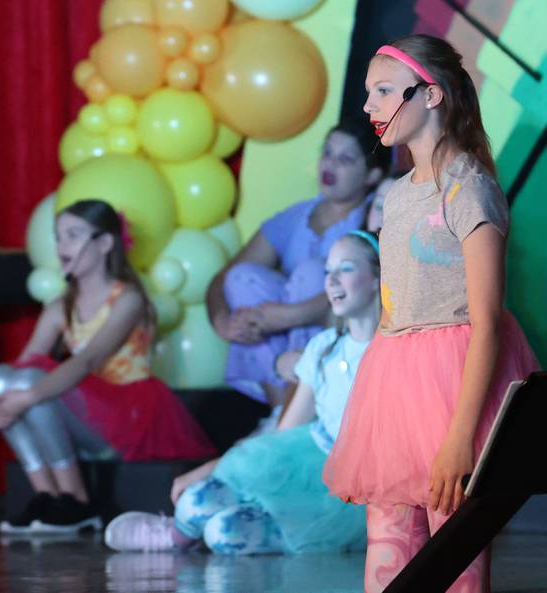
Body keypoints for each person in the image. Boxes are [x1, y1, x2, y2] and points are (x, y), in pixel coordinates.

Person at [323, 35, 541, 593]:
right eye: (369, 93)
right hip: (395, 390)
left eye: (384, 91)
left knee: (456, 559)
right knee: (388, 559)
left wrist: (460, 438)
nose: (370, 106)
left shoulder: (469, 189)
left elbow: (487, 322)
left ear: (432, 95)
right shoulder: (396, 196)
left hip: (453, 390)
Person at [105, 231, 381, 555]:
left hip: (351, 487)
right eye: (327, 272)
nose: (332, 281)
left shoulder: (391, 351)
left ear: (377, 277)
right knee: (196, 502)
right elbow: (282, 437)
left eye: (346, 269)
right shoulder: (323, 349)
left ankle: (257, 530)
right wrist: (209, 468)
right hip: (306, 462)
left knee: (225, 533)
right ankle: (175, 536)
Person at [0, 199, 215, 534]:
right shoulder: (61, 306)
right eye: (58, 237)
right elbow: (24, 361)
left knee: (32, 385)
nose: (62, 246)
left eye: (73, 235)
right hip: (83, 413)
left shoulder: (127, 299)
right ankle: (46, 494)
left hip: (126, 416)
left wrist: (28, 396)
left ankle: (76, 498)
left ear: (103, 243)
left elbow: (88, 360)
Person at [206, 118, 390, 417]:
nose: (329, 165)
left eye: (344, 159)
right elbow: (225, 277)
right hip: (278, 356)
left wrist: (289, 315)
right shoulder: (295, 217)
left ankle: (301, 404)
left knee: (312, 274)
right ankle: (280, 407)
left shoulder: (374, 216)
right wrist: (222, 321)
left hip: (340, 336)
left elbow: (377, 280)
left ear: (372, 174)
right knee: (242, 278)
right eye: (327, 153)